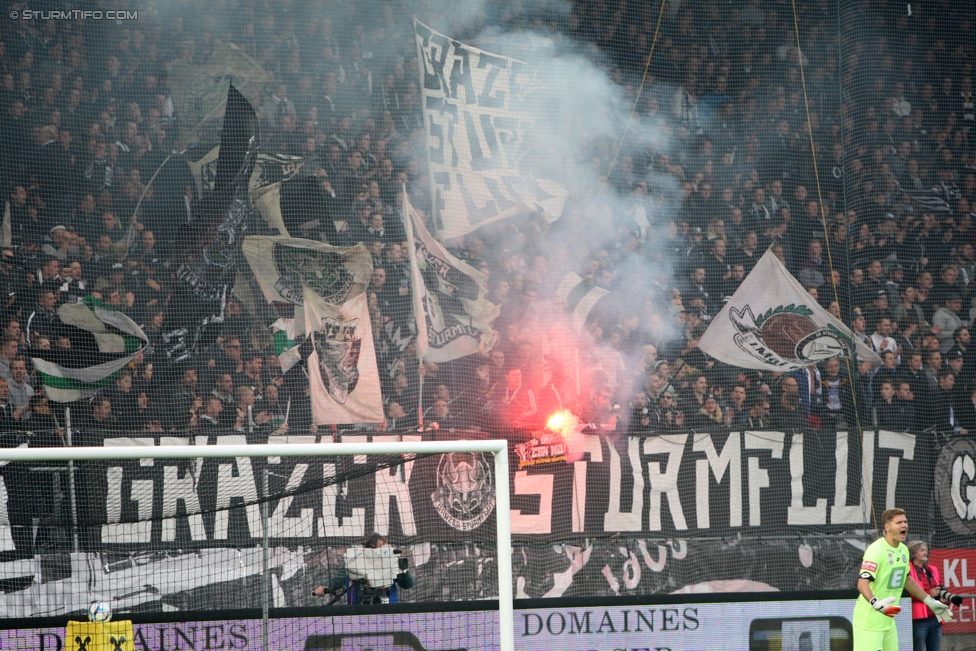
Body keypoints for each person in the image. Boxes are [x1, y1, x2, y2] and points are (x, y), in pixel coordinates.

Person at [853, 508, 952, 651]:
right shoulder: (876, 550)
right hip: (869, 621)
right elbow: (862, 584)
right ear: (887, 527)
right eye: (898, 522)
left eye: (905, 521)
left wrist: (929, 601)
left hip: (888, 621)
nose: (904, 525)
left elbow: (906, 579)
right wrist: (876, 604)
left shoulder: (903, 550)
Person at [312, 531, 415, 604]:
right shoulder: (355, 563)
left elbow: (408, 584)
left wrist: (404, 570)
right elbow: (337, 580)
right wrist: (324, 586)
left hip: (388, 612)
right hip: (358, 610)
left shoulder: (391, 562)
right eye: (380, 548)